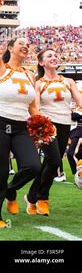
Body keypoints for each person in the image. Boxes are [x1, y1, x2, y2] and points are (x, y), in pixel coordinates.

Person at [0, 13, 41, 228]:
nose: (25, 46)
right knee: (0, 169)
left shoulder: (30, 75)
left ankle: (11, 189)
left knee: (34, 166)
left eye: (27, 44)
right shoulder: (0, 67)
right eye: (20, 43)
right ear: (10, 47)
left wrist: (43, 127)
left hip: (20, 126)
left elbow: (33, 106)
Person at [25, 49, 82, 215]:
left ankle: (31, 197)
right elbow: (34, 107)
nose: (54, 57)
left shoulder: (69, 81)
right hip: (47, 125)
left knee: (51, 163)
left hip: (65, 124)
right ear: (42, 63)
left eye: (55, 55)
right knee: (55, 160)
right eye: (49, 56)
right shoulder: (38, 83)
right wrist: (39, 125)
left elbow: (79, 101)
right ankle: (42, 197)